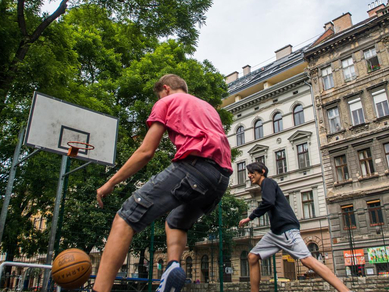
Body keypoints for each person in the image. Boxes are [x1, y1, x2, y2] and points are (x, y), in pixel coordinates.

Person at [94, 74, 232, 292]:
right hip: (220, 178)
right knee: (175, 221)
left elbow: (146, 152)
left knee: (125, 217)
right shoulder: (207, 107)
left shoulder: (166, 102)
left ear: (166, 89)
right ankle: (172, 268)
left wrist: (111, 182)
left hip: (194, 168)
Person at [238, 163, 352, 292]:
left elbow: (268, 202)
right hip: (276, 233)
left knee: (307, 261)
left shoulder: (267, 182)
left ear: (262, 171)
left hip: (286, 230)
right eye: (248, 173)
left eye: (252, 172)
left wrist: (250, 217)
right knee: (252, 257)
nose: (249, 175)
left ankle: (345, 291)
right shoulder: (265, 186)